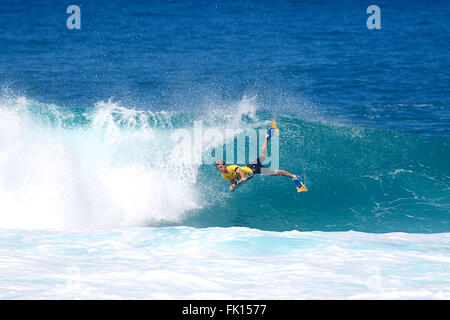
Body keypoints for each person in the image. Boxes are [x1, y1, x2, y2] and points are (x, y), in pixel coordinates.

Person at [215, 131, 300, 192]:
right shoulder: (224, 176)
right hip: (250, 166)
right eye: (219, 168)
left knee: (275, 172)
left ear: (225, 165)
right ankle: (267, 138)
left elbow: (240, 171)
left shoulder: (232, 167)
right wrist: (233, 186)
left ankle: (294, 176)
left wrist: (243, 178)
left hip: (253, 169)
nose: (221, 169)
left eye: (221, 166)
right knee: (263, 156)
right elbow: (233, 181)